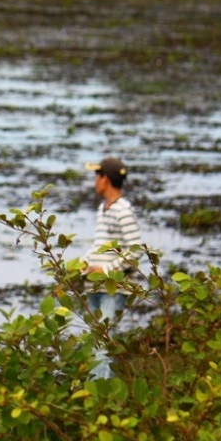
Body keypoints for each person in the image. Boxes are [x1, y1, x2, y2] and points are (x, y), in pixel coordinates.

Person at [82, 156, 143, 379]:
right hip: (95, 287)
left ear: (105, 179)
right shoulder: (104, 208)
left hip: (114, 288)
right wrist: (85, 264)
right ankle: (109, 390)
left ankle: (99, 396)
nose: (95, 181)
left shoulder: (123, 211)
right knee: (99, 340)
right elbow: (100, 245)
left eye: (96, 176)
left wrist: (106, 271)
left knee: (102, 344)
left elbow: (135, 251)